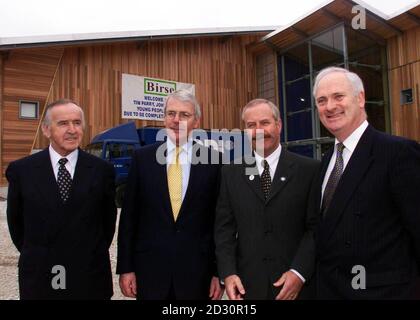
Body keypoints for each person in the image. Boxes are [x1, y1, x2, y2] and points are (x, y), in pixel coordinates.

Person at [312, 66, 420, 299]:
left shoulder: (398, 153)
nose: (329, 106)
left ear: (360, 98)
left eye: (338, 96)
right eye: (322, 100)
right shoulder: (326, 161)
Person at [117, 90, 224, 300]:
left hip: (197, 276)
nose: (176, 120)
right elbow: (129, 218)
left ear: (196, 121)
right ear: (164, 118)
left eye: (185, 115)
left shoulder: (214, 161)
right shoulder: (142, 159)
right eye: (171, 113)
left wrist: (217, 273)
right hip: (150, 273)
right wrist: (126, 268)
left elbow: (220, 222)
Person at [6, 99, 117, 300]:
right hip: (40, 279)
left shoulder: (102, 171)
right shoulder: (22, 171)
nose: (72, 130)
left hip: (89, 279)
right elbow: (17, 226)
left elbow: (107, 225)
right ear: (47, 130)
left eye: (77, 123)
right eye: (63, 123)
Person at [214, 98, 320, 300]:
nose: (258, 131)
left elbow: (315, 228)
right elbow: (224, 230)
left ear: (278, 125)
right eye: (251, 125)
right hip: (247, 288)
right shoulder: (231, 173)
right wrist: (228, 273)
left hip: (296, 288)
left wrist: (299, 273)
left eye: (265, 123)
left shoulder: (310, 170)